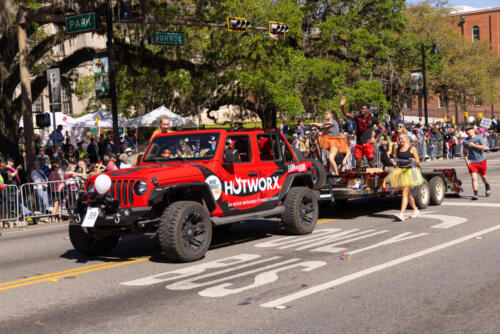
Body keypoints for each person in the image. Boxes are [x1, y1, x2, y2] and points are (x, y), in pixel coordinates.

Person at [340, 96, 386, 173]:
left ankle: (376, 179)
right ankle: (358, 180)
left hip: (368, 144)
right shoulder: (358, 117)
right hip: (359, 145)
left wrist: (376, 139)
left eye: (364, 109)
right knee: (358, 163)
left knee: (371, 163)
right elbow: (346, 114)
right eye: (361, 108)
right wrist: (342, 106)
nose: (362, 110)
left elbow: (383, 129)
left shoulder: (372, 118)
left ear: (368, 110)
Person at [385, 133, 423, 221]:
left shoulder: (412, 149)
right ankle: (415, 209)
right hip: (401, 171)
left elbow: (418, 162)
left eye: (402, 138)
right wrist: (392, 161)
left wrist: (413, 160)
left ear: (406, 139)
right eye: (399, 139)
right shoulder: (398, 149)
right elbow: (397, 164)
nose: (400, 140)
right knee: (407, 192)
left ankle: (401, 213)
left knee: (404, 193)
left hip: (409, 172)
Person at [311, 109, 349, 175]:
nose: (325, 115)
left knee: (331, 158)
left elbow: (324, 125)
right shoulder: (329, 123)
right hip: (331, 141)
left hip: (335, 141)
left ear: (331, 115)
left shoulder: (332, 121)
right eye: (325, 114)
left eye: (327, 114)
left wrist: (314, 123)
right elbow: (323, 128)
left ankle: (337, 174)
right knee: (329, 158)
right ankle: (331, 171)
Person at [463, 126, 490, 200]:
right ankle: (475, 194)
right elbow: (464, 153)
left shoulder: (479, 138)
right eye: (467, 130)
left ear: (473, 130)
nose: (468, 131)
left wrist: (473, 145)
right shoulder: (465, 141)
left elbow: (484, 147)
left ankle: (487, 185)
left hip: (481, 161)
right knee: (473, 178)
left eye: (470, 130)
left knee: (483, 176)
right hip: (472, 162)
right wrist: (467, 161)